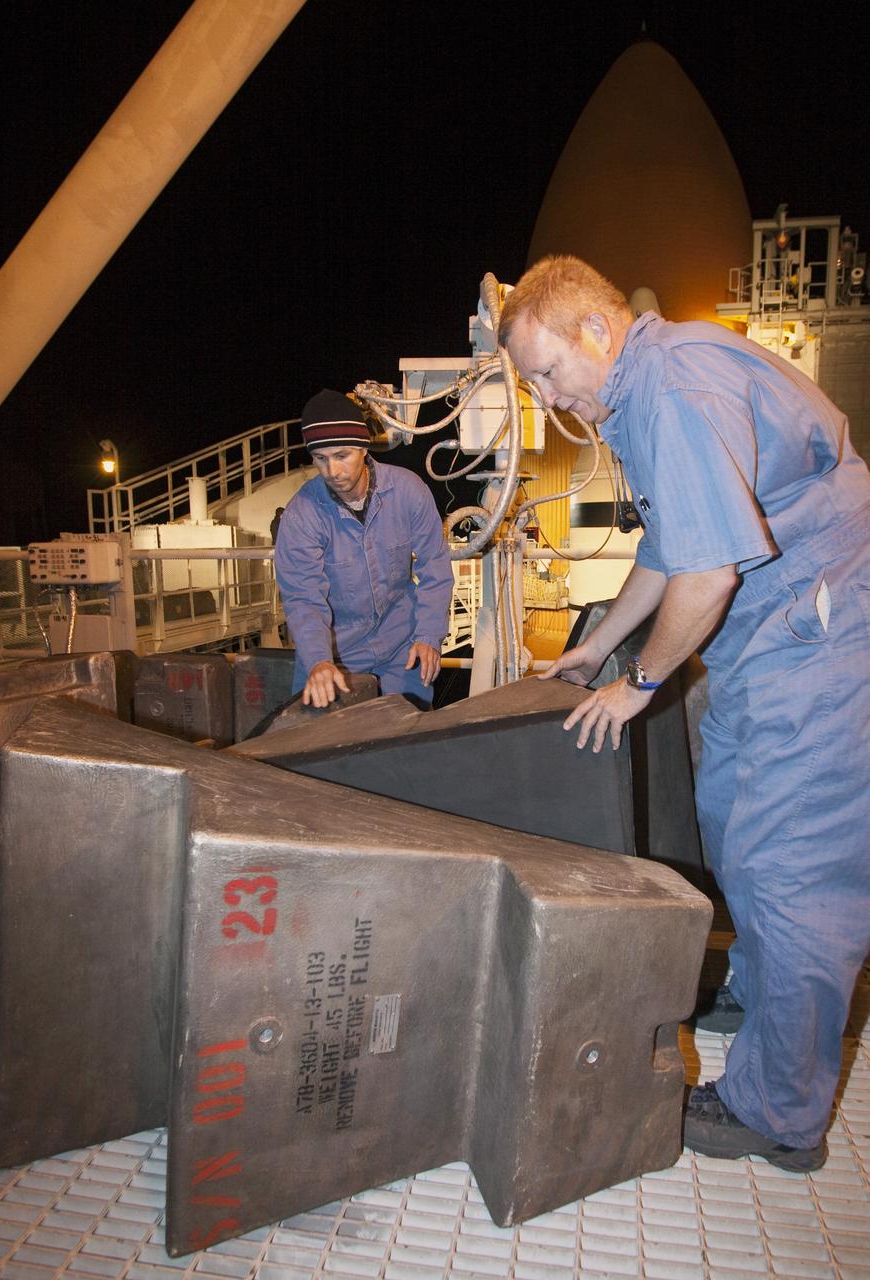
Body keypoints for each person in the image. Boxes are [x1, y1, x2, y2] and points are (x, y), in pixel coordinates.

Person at [498, 254, 870, 1172]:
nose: (546, 400)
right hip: (770, 637)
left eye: (546, 372)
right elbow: (671, 548)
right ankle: (762, 989)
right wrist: (603, 645)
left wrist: (641, 683)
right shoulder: (638, 392)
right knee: (732, 815)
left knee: (791, 855)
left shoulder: (669, 386)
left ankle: (777, 1113)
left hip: (823, 631)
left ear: (596, 327)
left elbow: (708, 575)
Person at [275, 389, 454, 709]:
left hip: (402, 646)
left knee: (407, 737)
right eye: (321, 458)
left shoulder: (409, 491)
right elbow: (303, 596)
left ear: (363, 446)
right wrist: (318, 660)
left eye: (342, 455)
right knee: (321, 747)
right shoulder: (301, 515)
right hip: (336, 653)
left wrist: (428, 635)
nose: (332, 471)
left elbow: (435, 566)